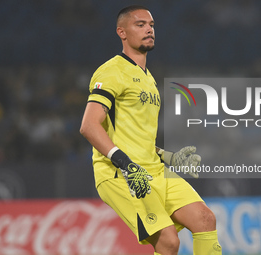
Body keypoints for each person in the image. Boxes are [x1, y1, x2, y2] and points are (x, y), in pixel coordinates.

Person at [80, 5, 222, 255]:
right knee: (168, 242)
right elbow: (89, 126)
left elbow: (138, 138)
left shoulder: (148, 79)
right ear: (121, 32)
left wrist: (169, 157)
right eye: (140, 24)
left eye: (152, 25)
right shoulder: (111, 71)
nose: (149, 29)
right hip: (121, 174)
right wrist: (126, 164)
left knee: (204, 219)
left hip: (153, 170)